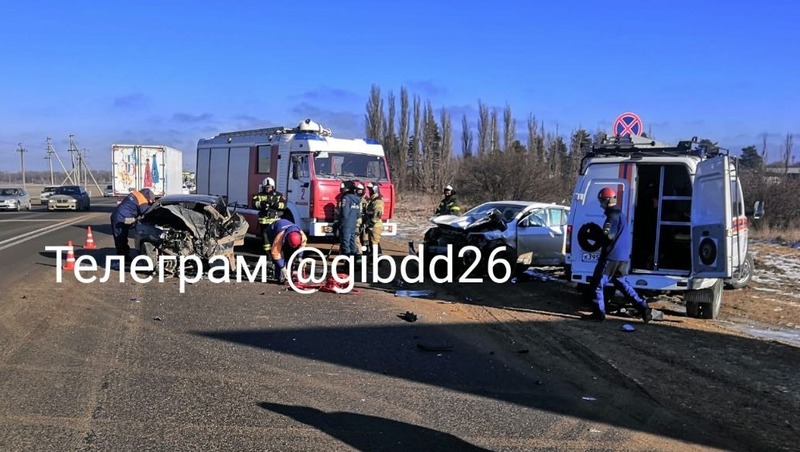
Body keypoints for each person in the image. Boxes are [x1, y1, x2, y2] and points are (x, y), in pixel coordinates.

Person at [587, 187, 652, 322]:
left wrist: (595, 236)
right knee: (622, 283)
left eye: (601, 201)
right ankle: (643, 308)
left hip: (611, 257)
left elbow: (608, 236)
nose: (600, 204)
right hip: (622, 257)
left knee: (597, 284)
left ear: (606, 201)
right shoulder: (621, 215)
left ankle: (599, 313)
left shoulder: (612, 216)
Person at [110, 188, 156, 260]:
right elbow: (146, 213)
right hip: (120, 218)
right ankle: (123, 258)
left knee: (121, 238)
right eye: (151, 202)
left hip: (120, 215)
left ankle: (123, 256)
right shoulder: (142, 200)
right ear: (149, 198)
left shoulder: (137, 194)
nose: (150, 203)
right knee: (120, 238)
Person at [266, 218, 307, 284]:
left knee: (290, 254)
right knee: (280, 256)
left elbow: (302, 246)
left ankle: (289, 275)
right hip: (273, 230)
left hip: (286, 231)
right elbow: (275, 253)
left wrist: (300, 257)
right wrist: (283, 268)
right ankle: (279, 276)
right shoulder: (279, 237)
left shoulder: (302, 236)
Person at [252, 177, 287, 254]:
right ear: (263, 187)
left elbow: (284, 206)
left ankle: (277, 255)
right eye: (266, 187)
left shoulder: (279, 196)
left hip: (276, 222)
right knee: (266, 243)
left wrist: (274, 204)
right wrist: (262, 204)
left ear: (273, 187)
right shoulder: (258, 196)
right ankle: (268, 257)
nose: (268, 189)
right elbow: (254, 204)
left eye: (270, 187)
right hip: (264, 224)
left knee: (277, 240)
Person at [338, 181, 363, 256]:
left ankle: (348, 262)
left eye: (343, 189)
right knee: (352, 243)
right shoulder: (357, 200)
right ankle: (354, 260)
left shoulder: (346, 198)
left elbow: (344, 213)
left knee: (346, 243)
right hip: (353, 225)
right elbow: (358, 214)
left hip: (346, 224)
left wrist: (340, 223)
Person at [361, 182, 384, 256]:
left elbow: (378, 214)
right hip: (372, 225)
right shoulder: (372, 200)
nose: (369, 191)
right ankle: (373, 258)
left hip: (375, 226)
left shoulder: (378, 201)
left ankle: (377, 259)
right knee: (372, 242)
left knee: (375, 243)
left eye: (370, 190)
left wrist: (371, 223)